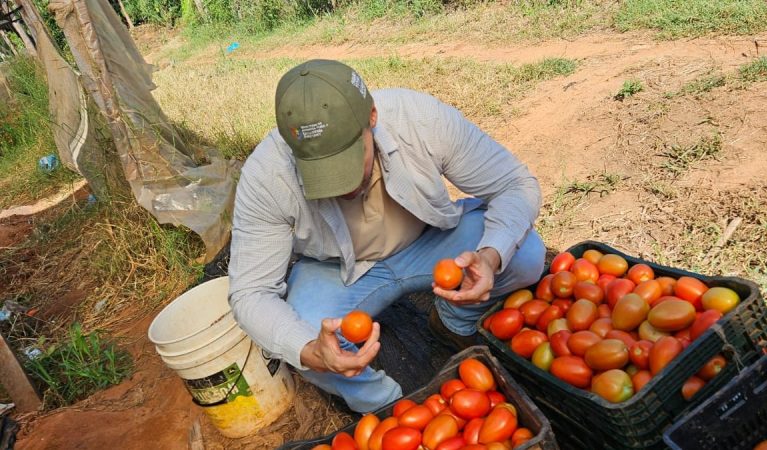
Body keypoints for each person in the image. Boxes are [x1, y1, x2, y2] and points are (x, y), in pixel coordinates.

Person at [228, 59, 546, 413]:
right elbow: (250, 293)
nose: (344, 185)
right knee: (305, 345)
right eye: (322, 172)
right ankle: (393, 410)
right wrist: (310, 350)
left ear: (373, 118)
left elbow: (515, 184)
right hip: (337, 272)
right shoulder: (266, 176)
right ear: (292, 149)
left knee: (524, 256)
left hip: (430, 242)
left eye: (350, 160)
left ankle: (452, 321)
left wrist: (488, 256)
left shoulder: (420, 120)